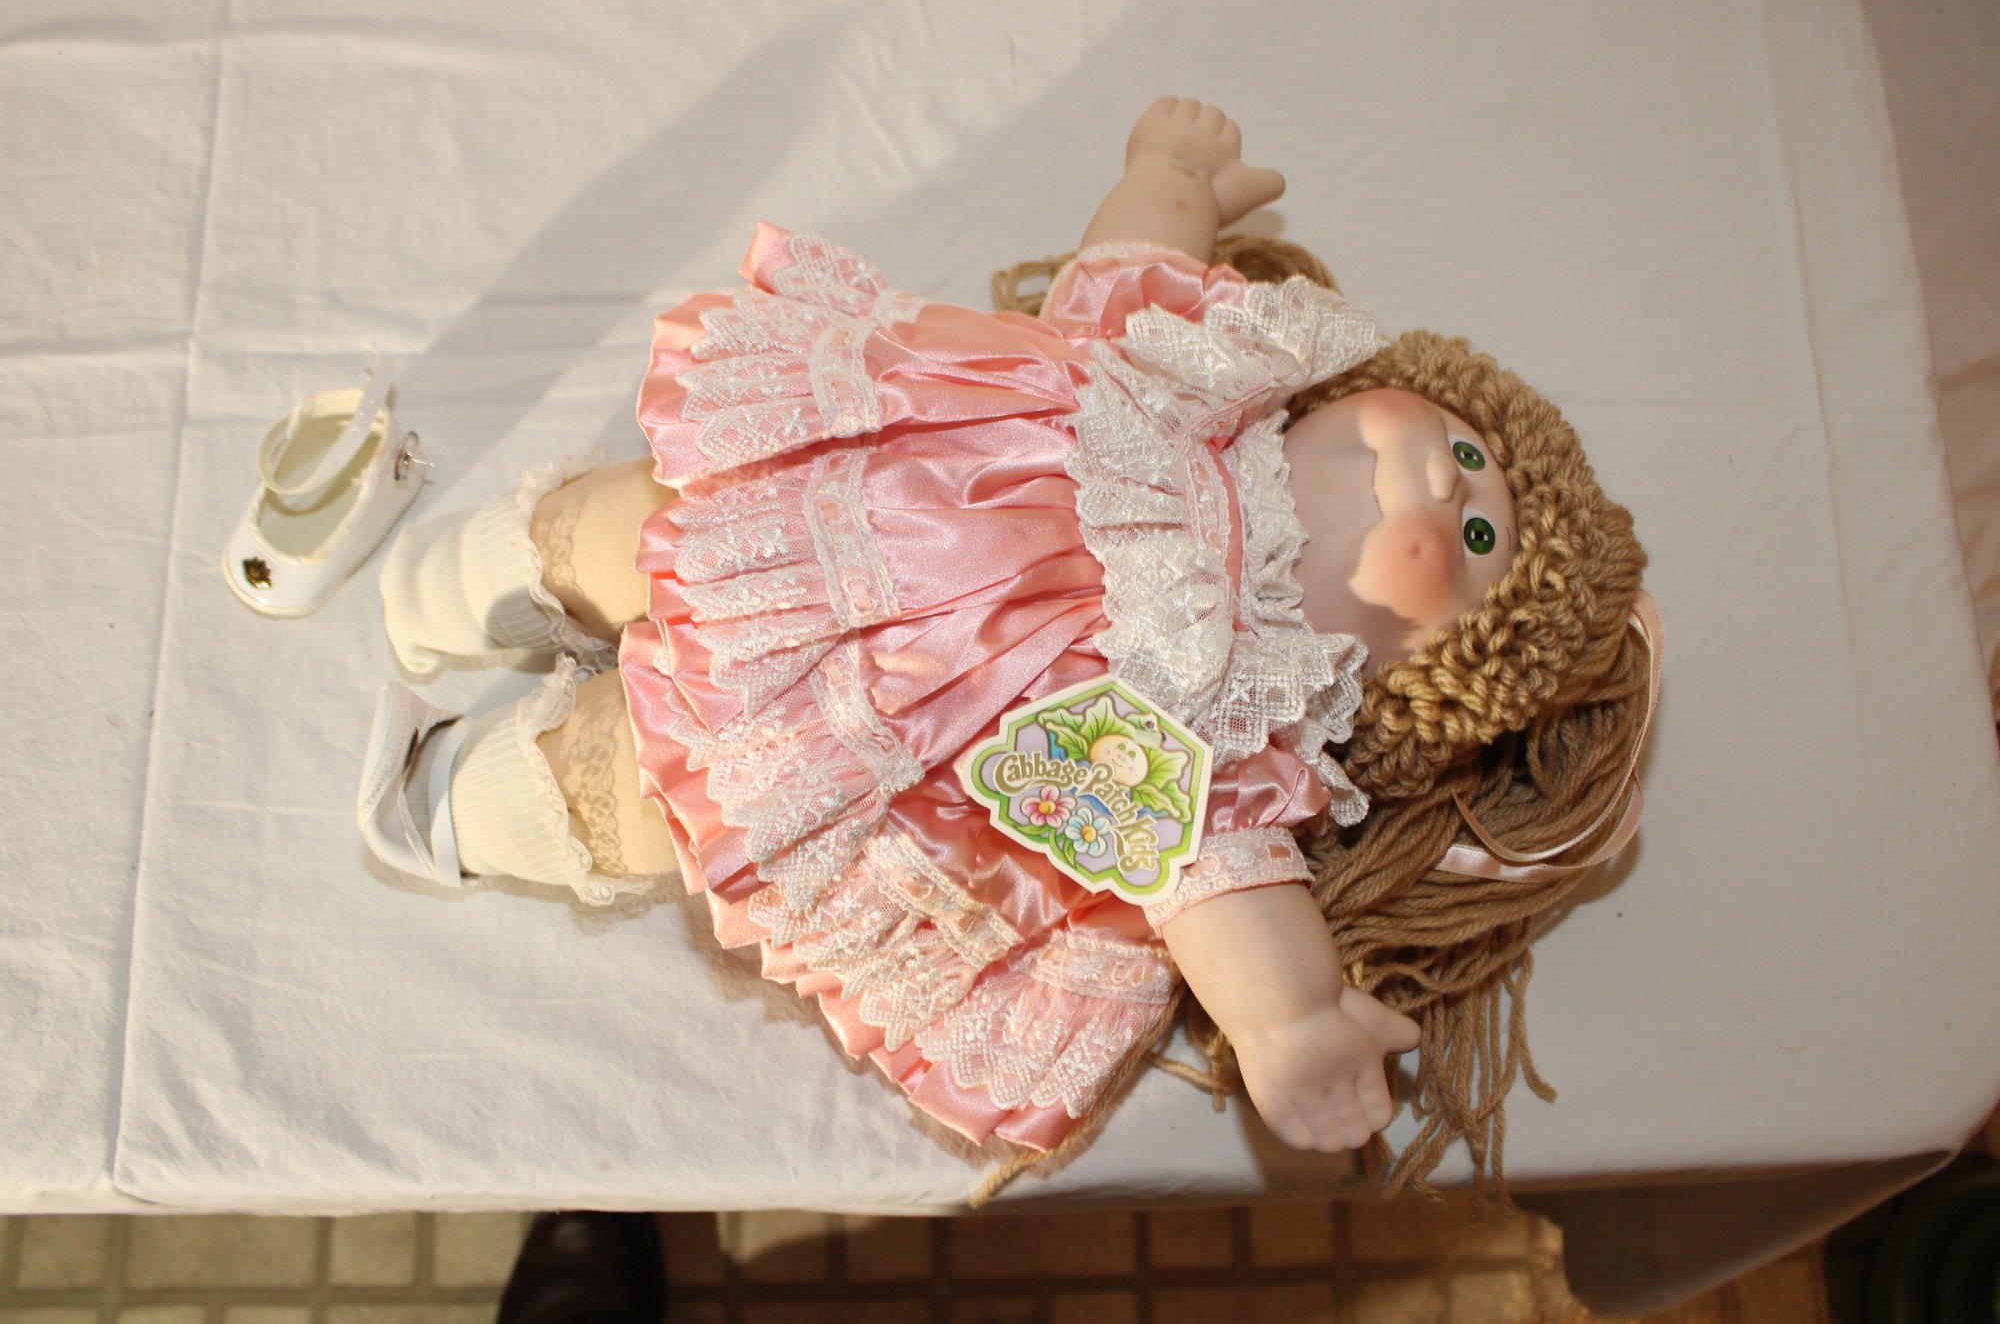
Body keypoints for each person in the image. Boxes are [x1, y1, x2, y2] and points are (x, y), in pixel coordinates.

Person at [358, 97, 1652, 1194]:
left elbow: (1223, 889)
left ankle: (457, 803)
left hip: (865, 751)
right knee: (629, 520)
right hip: (828, 511)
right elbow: (1127, 264)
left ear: (1413, 674)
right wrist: (1173, 179)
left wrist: (1295, 1021)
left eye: (1475, 540)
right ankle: (460, 582)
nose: (1451, 483)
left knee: (651, 794)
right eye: (1466, 445)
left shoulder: (1236, 725)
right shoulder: (1190, 372)